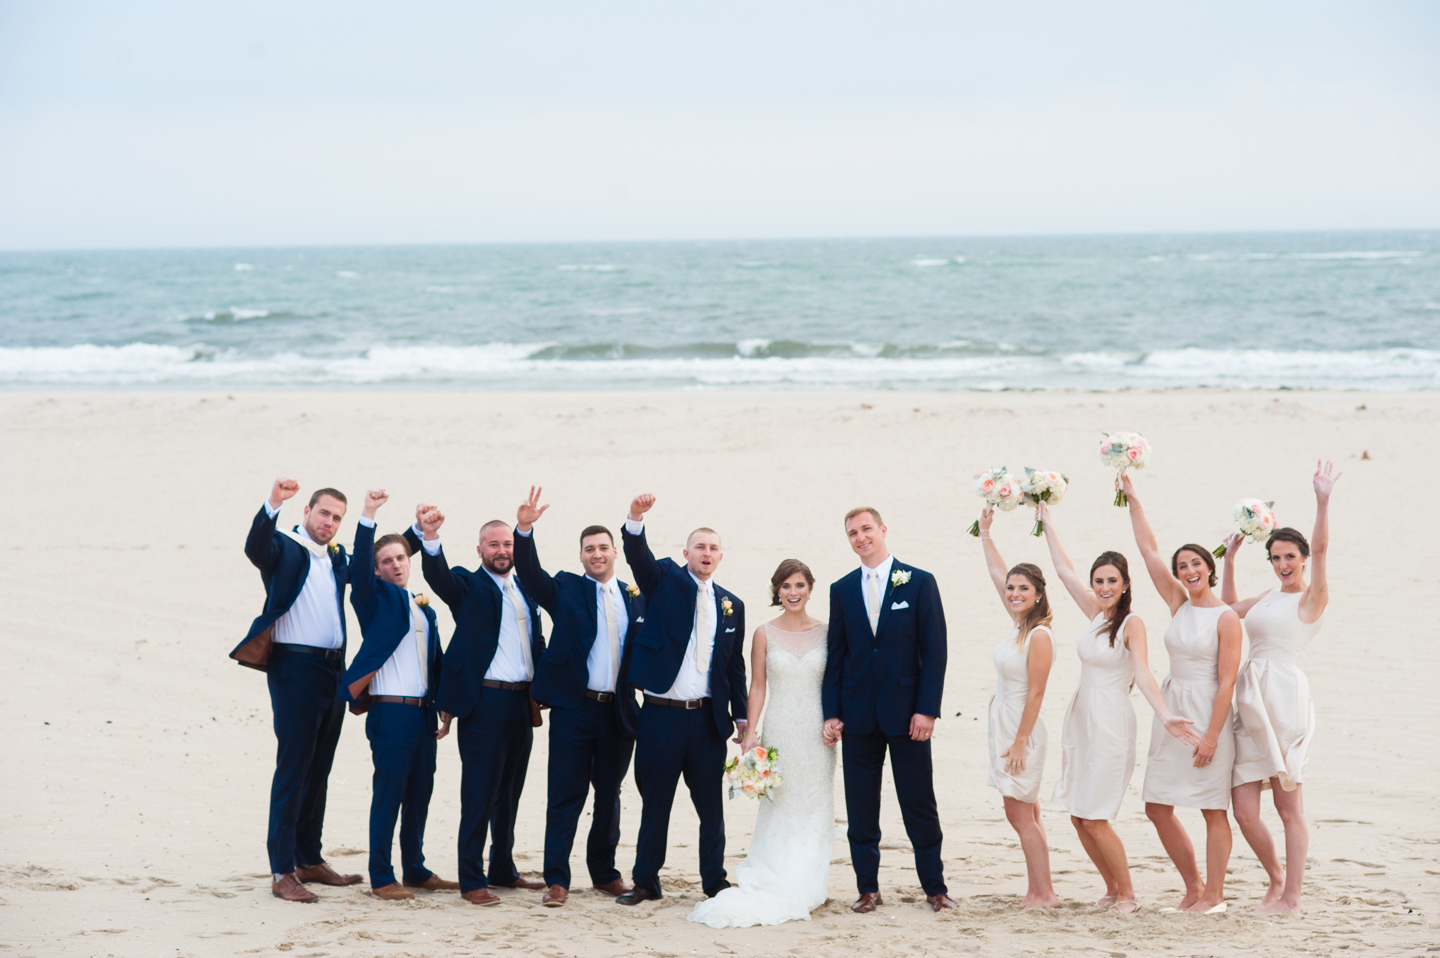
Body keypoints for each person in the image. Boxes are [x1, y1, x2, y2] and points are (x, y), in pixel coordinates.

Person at [1038, 503, 1198, 913]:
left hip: (1110, 721)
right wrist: (1048, 524)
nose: (1104, 587)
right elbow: (1063, 571)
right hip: (1081, 720)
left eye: (1112, 581)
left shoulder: (1132, 623)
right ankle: (1110, 889)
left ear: (1126, 584)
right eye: (1099, 581)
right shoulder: (1095, 613)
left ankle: (1127, 893)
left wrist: (1165, 715)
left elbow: (1143, 672)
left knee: (1095, 815)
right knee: (1077, 816)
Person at [510, 487, 645, 907]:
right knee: (566, 795)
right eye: (590, 549)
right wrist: (525, 529)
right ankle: (557, 879)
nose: (598, 554)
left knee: (610, 794)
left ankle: (604, 873)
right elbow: (529, 574)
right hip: (574, 708)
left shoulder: (632, 597)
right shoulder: (565, 589)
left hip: (618, 711)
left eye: (604, 547)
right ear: (582, 555)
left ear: (614, 553)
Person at [615, 494, 748, 906]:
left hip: (707, 720)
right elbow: (638, 556)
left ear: (720, 556)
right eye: (699, 547)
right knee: (656, 803)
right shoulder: (664, 581)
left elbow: (734, 667)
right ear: (686, 553)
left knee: (711, 808)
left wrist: (741, 717)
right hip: (661, 718)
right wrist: (635, 518)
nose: (706, 553)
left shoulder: (732, 605)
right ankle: (646, 882)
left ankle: (714, 881)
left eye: (713, 548)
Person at [689, 559, 837, 928]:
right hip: (781, 728)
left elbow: (837, 683)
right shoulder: (763, 633)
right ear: (777, 591)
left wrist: (837, 721)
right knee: (781, 804)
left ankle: (810, 882)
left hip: (818, 734)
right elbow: (757, 685)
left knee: (815, 803)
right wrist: (750, 732)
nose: (793, 593)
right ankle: (779, 875)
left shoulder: (828, 632)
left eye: (800, 585)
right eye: (786, 586)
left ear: (810, 589)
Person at [234, 478, 362, 903]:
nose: (329, 522)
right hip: (294, 668)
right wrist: (272, 502)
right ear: (306, 512)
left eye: (337, 518)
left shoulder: (335, 557)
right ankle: (282, 870)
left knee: (319, 768)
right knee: (293, 768)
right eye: (324, 513)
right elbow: (256, 547)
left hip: (333, 671)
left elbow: (374, 566)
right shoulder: (285, 548)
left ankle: (309, 857)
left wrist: (418, 534)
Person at [822, 507, 955, 913]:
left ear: (882, 530)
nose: (860, 537)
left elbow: (934, 652)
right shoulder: (841, 588)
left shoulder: (919, 582)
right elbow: (837, 655)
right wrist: (831, 711)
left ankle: (934, 887)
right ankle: (868, 889)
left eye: (866, 530)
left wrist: (927, 710)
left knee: (919, 804)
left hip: (907, 715)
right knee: (861, 808)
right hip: (858, 715)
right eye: (852, 533)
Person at [412, 504, 547, 905]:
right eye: (494, 544)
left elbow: (535, 644)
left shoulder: (526, 590)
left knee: (510, 791)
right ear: (480, 550)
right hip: (483, 702)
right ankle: (472, 879)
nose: (502, 550)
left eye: (507, 543)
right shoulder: (467, 586)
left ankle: (502, 868)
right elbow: (437, 576)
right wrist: (431, 538)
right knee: (479, 792)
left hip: (522, 703)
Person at [1221, 460, 1339, 914]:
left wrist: (1322, 501)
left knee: (1290, 807)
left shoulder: (1313, 598)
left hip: (1286, 698)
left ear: (1303, 558)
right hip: (1251, 699)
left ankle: (1292, 896)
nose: (1284, 564)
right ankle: (1275, 879)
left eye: (1291, 556)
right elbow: (1229, 610)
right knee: (1244, 809)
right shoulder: (1267, 597)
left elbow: (1325, 550)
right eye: (1276, 557)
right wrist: (1229, 560)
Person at [1123, 474, 1243, 914]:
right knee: (1157, 805)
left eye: (1196, 564)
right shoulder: (1178, 603)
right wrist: (1134, 499)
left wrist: (1212, 736)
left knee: (1213, 808)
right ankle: (1192, 887)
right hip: (1171, 710)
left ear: (1210, 567)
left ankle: (1214, 895)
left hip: (1208, 711)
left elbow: (1227, 681)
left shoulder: (1227, 618)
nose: (1190, 572)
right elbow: (1148, 550)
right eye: (1183, 567)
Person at [341, 489, 458, 900]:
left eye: (401, 558)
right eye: (386, 561)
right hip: (390, 714)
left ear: (411, 562)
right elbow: (357, 565)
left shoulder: (423, 607)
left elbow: (435, 660)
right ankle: (380, 876)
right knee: (388, 793)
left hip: (424, 714)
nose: (395, 565)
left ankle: (416, 869)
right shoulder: (374, 601)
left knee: (420, 793)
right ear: (375, 571)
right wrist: (369, 514)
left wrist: (444, 707)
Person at [976, 509, 1060, 909]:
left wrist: (1021, 740)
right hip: (1005, 722)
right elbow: (997, 574)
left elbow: (1038, 693)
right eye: (1012, 588)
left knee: (1019, 812)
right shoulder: (1017, 625)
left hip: (1020, 728)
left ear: (1038, 593)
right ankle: (1041, 888)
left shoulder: (1039, 635)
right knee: (1028, 810)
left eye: (1023, 588)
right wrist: (986, 533)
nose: (1014, 593)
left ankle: (1043, 892)